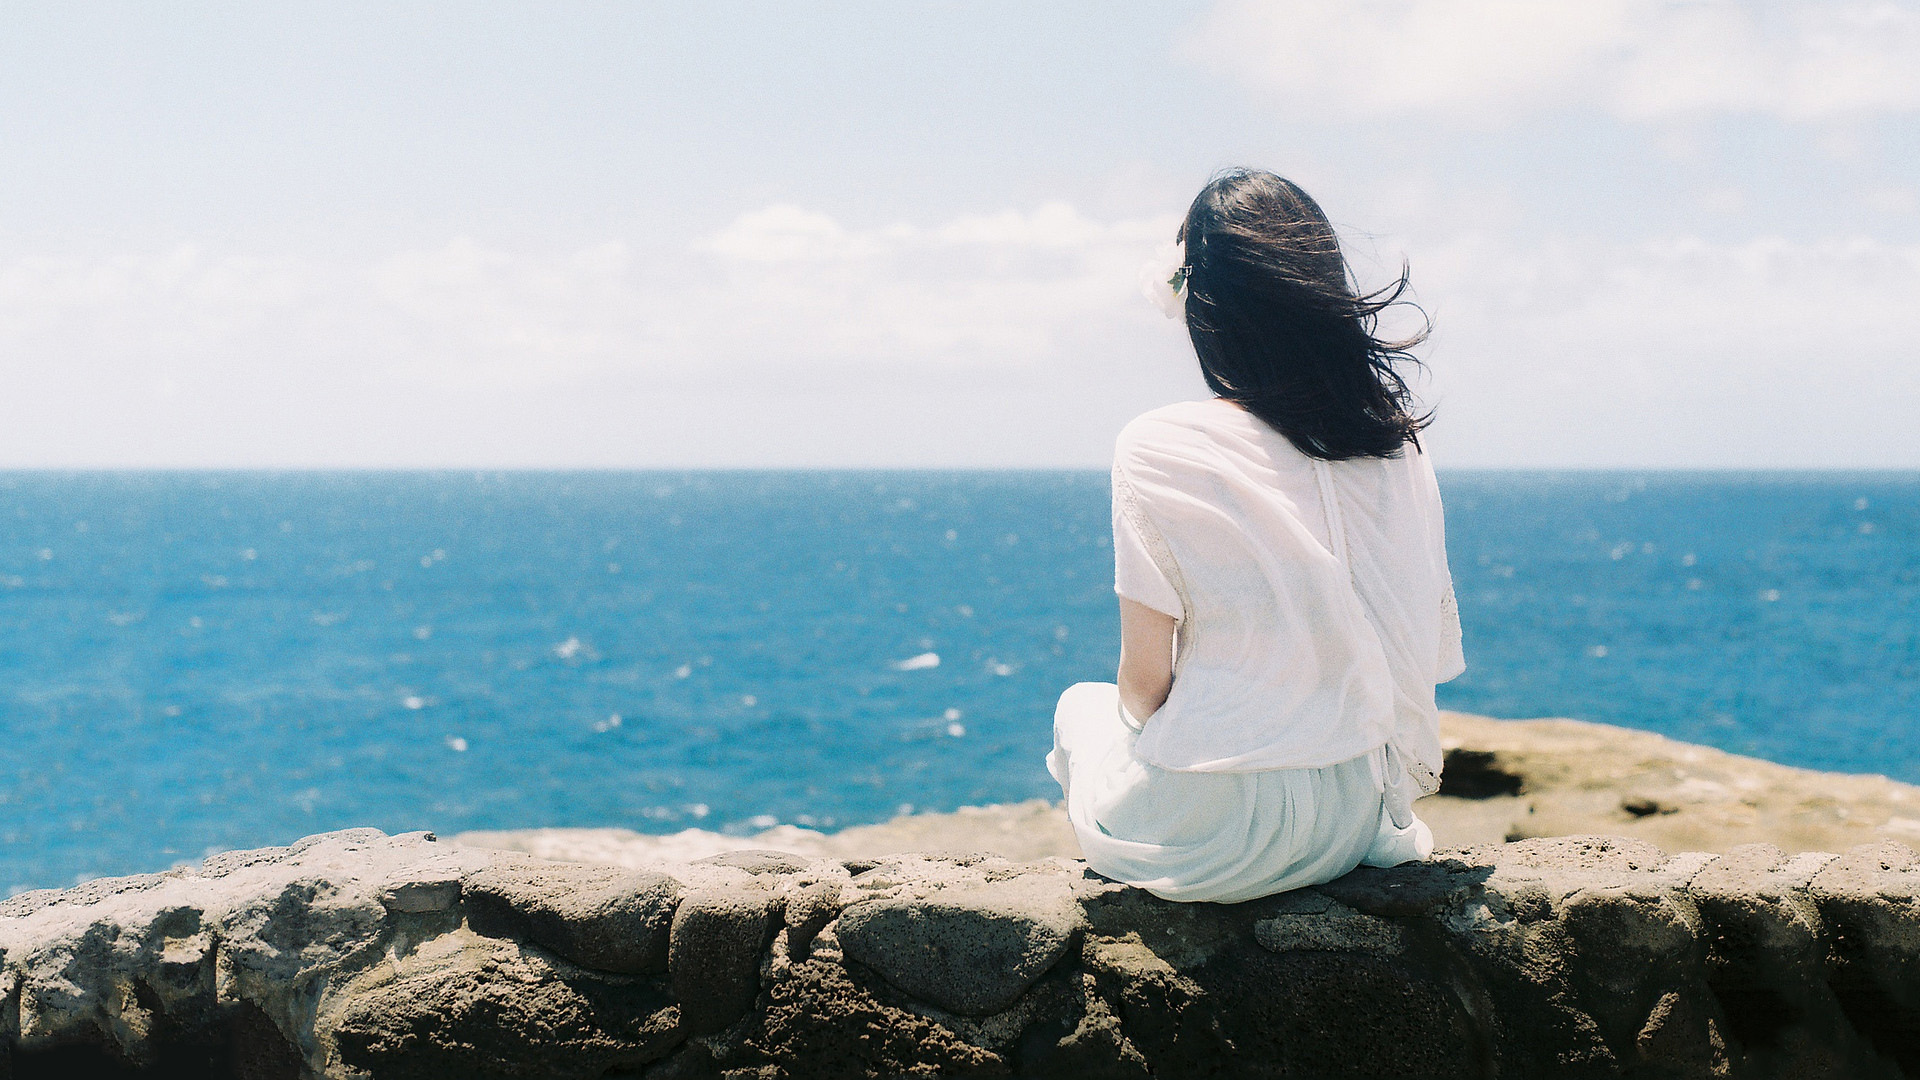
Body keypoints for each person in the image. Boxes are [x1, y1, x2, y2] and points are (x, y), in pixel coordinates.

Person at [1047, 169, 1465, 903]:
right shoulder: (1398, 450)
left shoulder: (1159, 443)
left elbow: (1144, 691)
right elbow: (1419, 659)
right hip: (1349, 824)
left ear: (1200, 305)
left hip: (1212, 841)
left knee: (1082, 709)